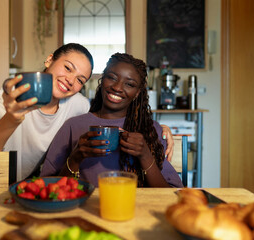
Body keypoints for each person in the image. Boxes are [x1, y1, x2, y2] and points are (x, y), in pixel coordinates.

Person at [0, 43, 174, 181]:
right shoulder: (10, 97)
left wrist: (157, 128)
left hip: (21, 183)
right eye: (68, 68)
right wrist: (12, 118)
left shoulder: (76, 104)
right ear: (50, 60)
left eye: (80, 80)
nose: (70, 80)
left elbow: (108, 115)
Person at [40, 53, 183, 188]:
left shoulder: (152, 130)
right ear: (102, 80)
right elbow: (49, 188)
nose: (117, 88)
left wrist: (145, 155)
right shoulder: (73, 126)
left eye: (130, 84)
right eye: (112, 78)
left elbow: (170, 194)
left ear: (137, 93)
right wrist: (76, 158)